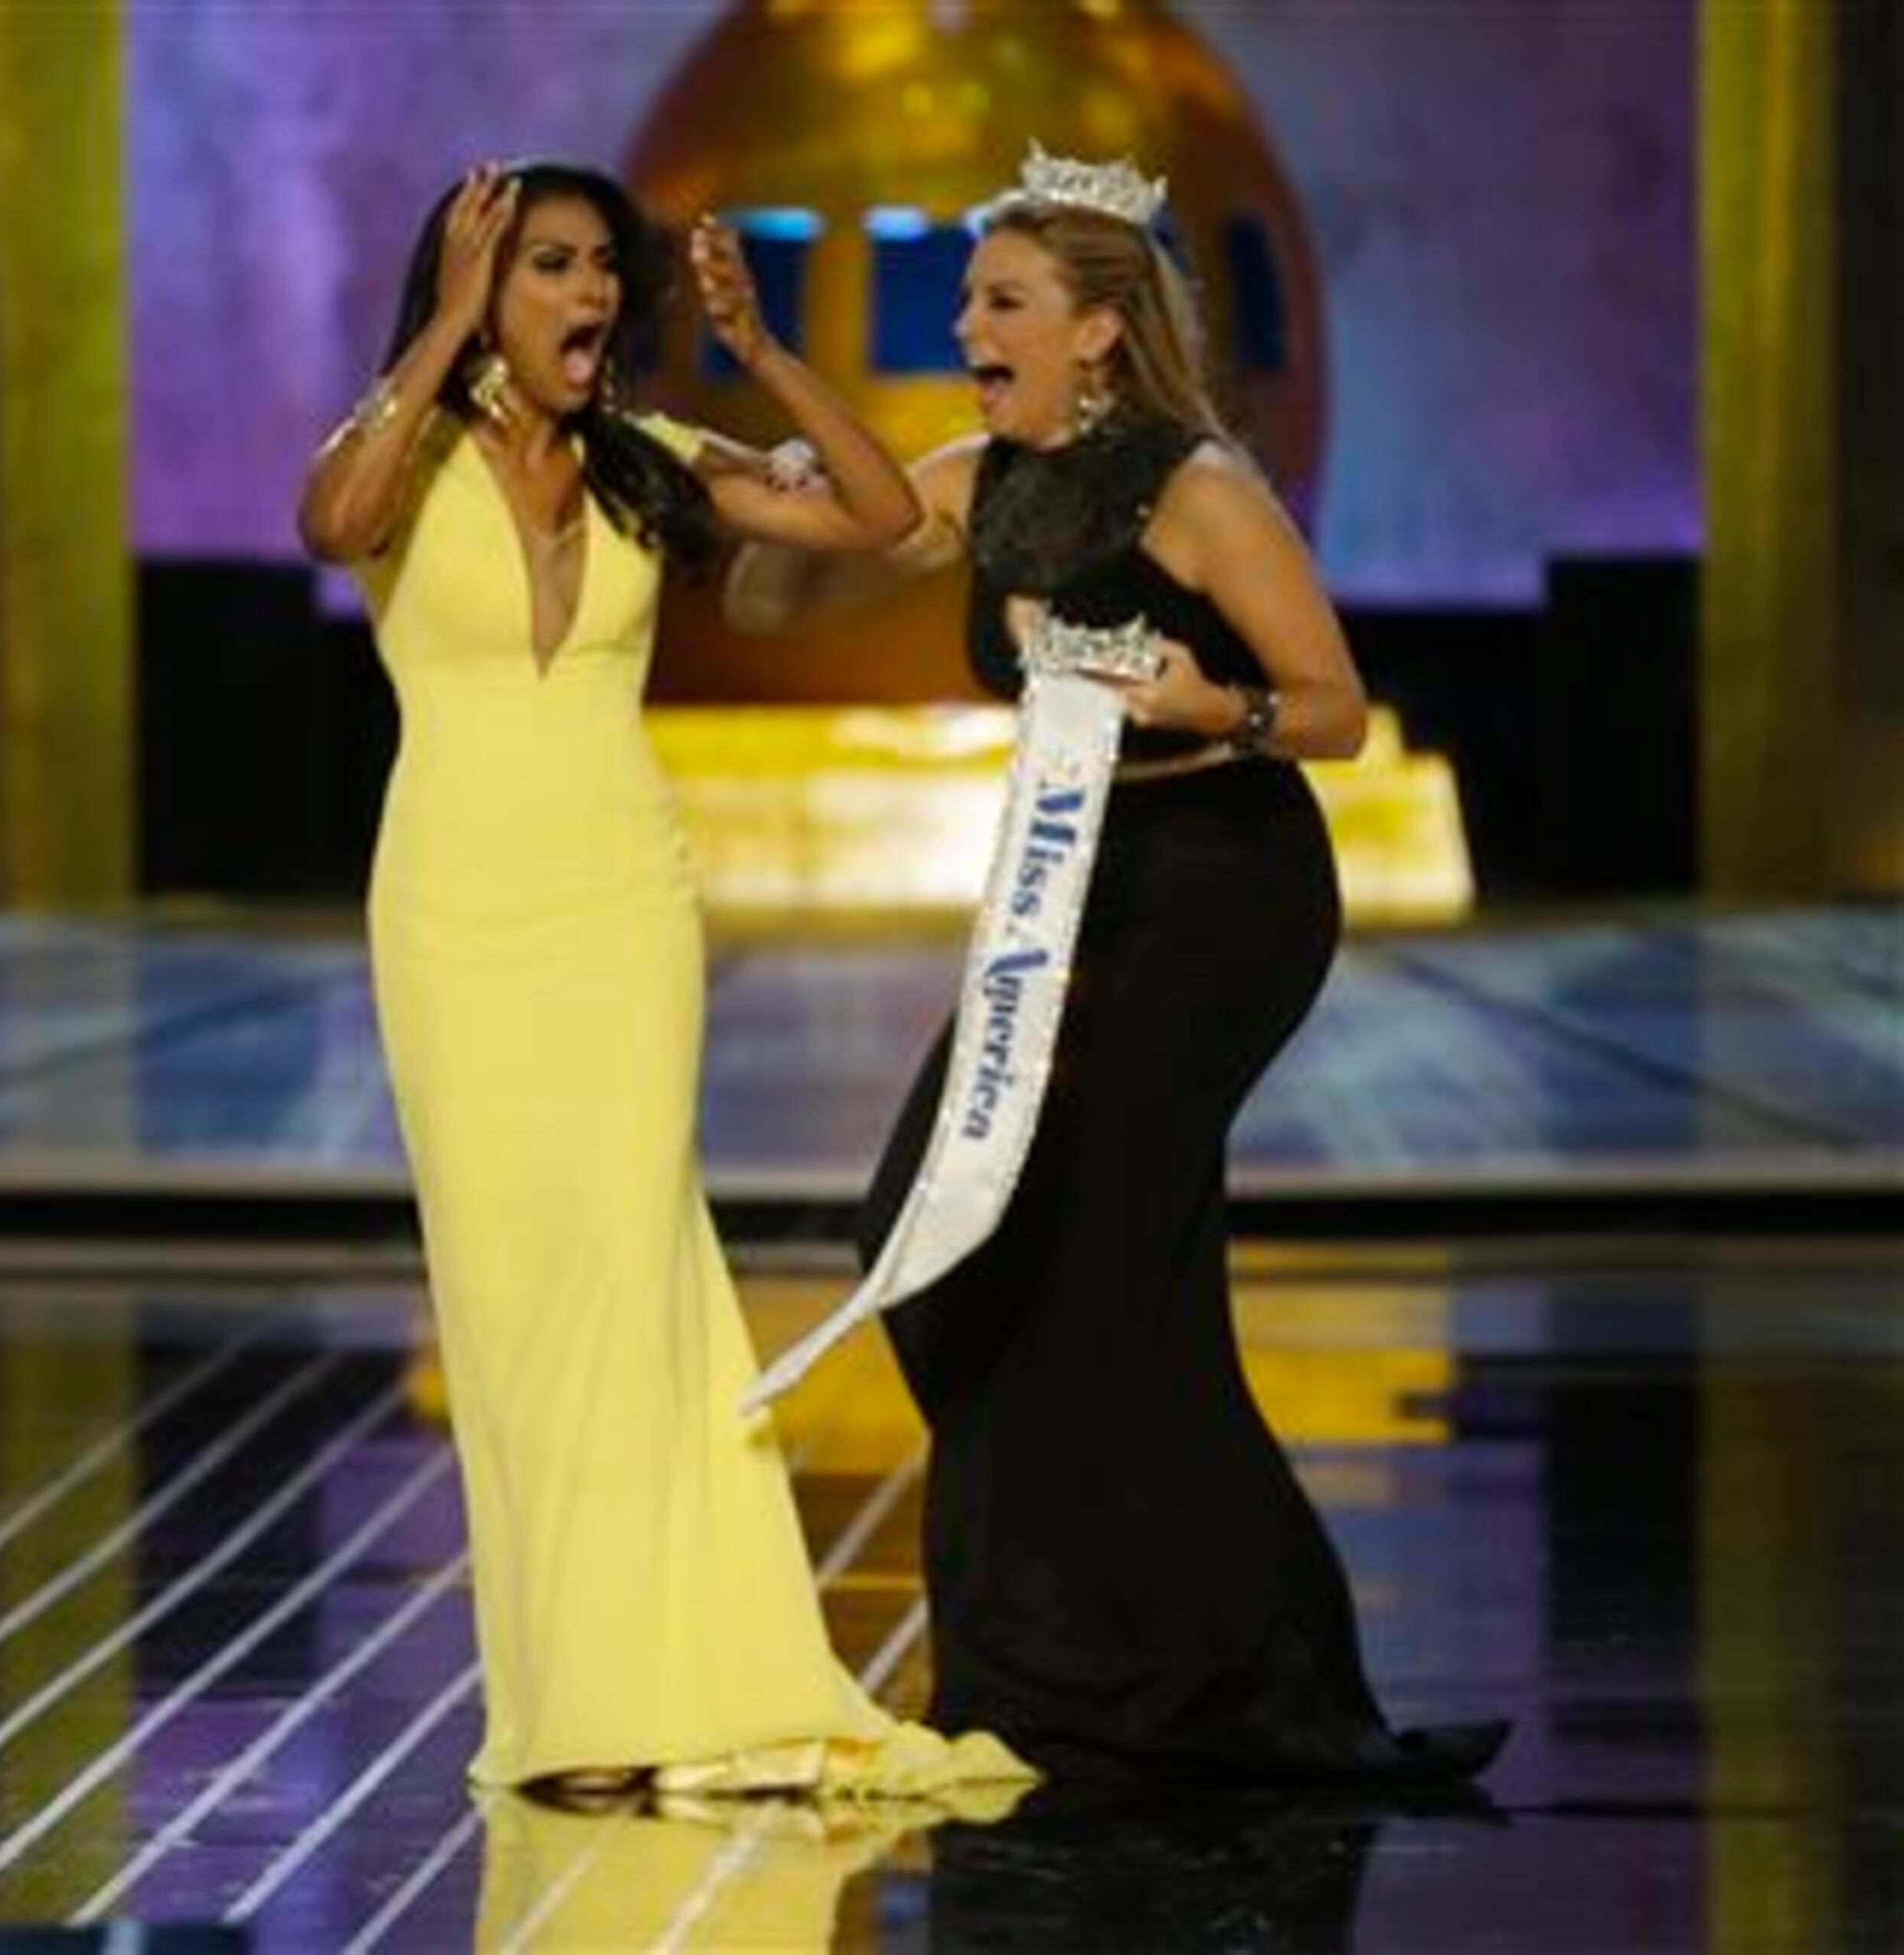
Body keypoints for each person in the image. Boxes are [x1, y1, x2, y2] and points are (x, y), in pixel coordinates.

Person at [726, 151, 1505, 1785]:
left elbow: (1336, 711)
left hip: (1221, 887)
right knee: (931, 1243)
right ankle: (1146, 1647)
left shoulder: (1200, 488)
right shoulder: (976, 470)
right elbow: (783, 585)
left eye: (1000, 301)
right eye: (967, 302)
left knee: (1081, 1265)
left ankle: (1123, 1672)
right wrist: (781, 489)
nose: (966, 328)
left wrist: (1198, 702)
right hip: (1072, 891)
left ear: (1096, 329)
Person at [296, 160, 1037, 1802]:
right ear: (477, 286)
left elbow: (883, 517)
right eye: (550, 264)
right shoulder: (402, 462)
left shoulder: (653, 465)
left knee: (633, 1275)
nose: (590, 295)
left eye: (601, 270)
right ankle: (574, 1693)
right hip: (454, 910)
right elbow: (329, 525)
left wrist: (761, 351)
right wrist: (433, 334)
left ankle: (676, 1674)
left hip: (621, 904)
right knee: (507, 1298)